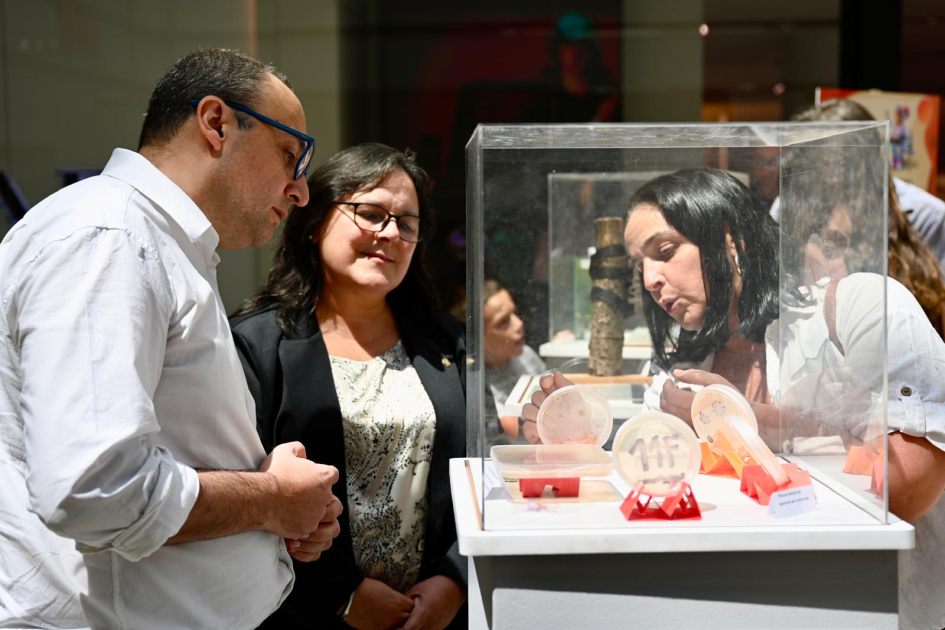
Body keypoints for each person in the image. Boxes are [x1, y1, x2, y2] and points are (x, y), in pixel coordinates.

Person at [0, 49, 343, 630]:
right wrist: (272, 500)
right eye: (292, 154)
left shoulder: (145, 238)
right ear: (216, 123)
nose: (300, 190)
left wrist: (271, 498)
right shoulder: (109, 236)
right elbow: (95, 487)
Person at [231, 143, 467, 630]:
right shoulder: (256, 344)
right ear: (316, 221)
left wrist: (453, 580)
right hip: (299, 614)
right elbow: (244, 493)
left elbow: (481, 475)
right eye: (371, 213)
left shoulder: (450, 341)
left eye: (407, 223)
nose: (390, 233)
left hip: (431, 617)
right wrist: (343, 598)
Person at [483, 278, 547, 441]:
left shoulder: (526, 354)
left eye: (515, 313)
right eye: (503, 322)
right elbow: (513, 431)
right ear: (479, 338)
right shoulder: (479, 383)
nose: (519, 323)